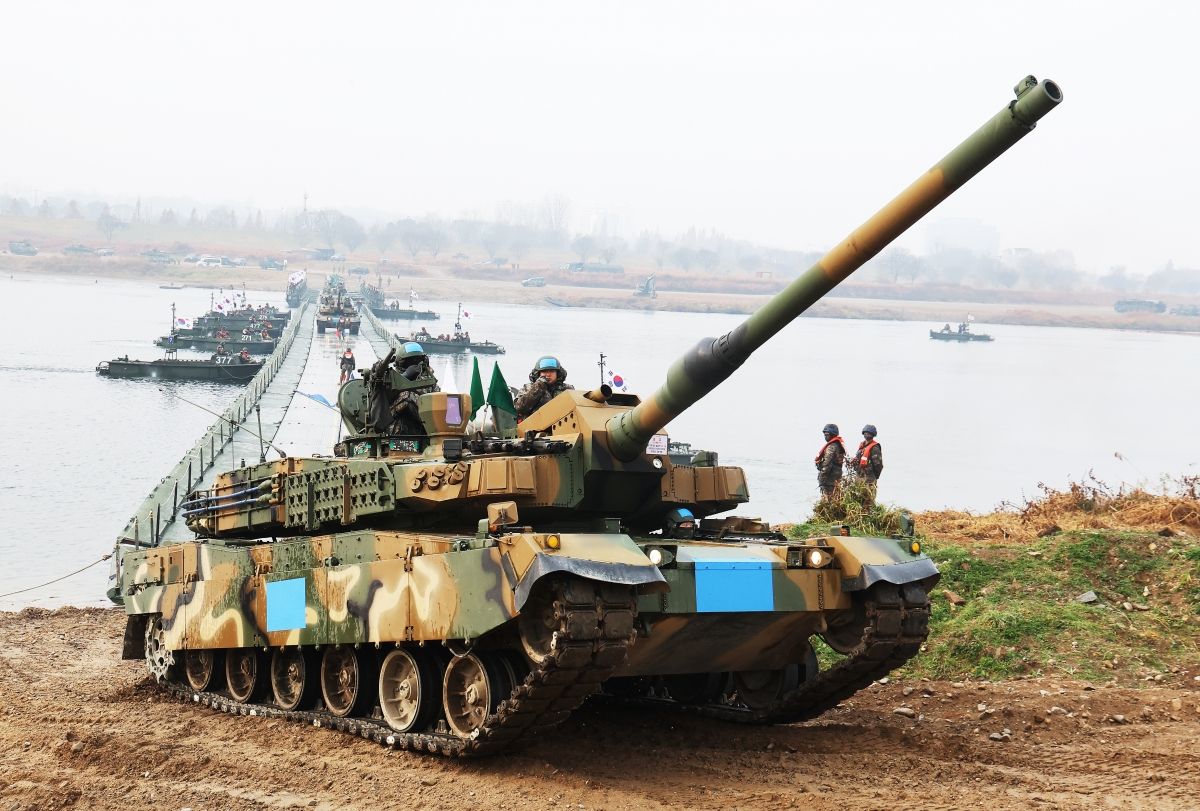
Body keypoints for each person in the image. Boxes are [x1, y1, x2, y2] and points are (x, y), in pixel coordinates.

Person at [515, 356, 574, 420]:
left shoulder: (567, 389)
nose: (548, 375)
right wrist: (538, 387)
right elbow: (519, 408)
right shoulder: (528, 388)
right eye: (544, 371)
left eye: (552, 371)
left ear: (558, 373)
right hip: (535, 424)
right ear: (538, 373)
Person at [849, 424, 884, 506]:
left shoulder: (875, 448)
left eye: (869, 433)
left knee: (869, 500)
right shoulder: (862, 446)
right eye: (865, 433)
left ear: (873, 435)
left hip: (869, 478)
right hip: (859, 476)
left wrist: (875, 476)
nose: (866, 434)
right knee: (859, 498)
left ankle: (869, 512)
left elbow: (878, 465)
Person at [814, 423, 846, 501]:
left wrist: (822, 477)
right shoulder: (837, 445)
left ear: (832, 434)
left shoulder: (832, 446)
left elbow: (827, 463)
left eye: (827, 434)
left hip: (830, 478)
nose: (825, 436)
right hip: (835, 476)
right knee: (835, 497)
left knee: (829, 499)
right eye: (824, 435)